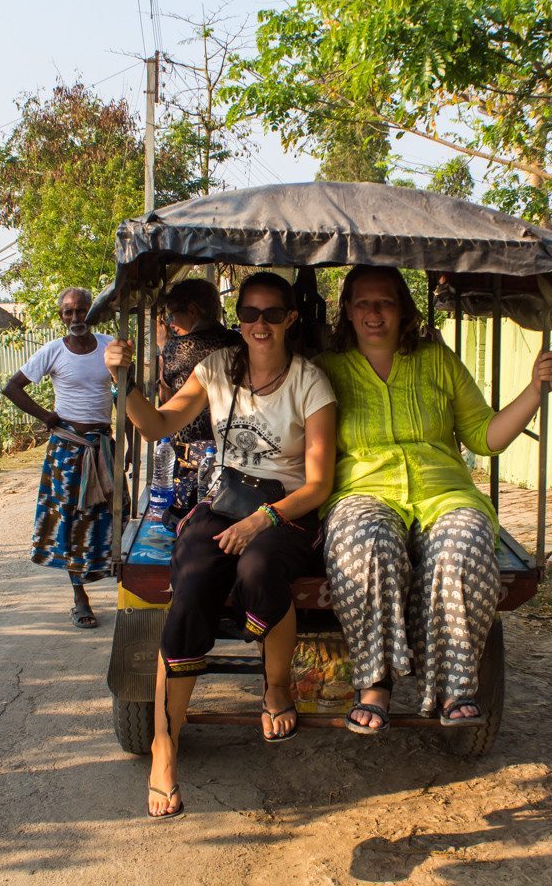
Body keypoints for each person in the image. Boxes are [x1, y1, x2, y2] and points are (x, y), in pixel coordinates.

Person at [105, 271, 337, 820]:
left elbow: (318, 484)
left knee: (259, 568)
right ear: (238, 321)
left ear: (290, 319)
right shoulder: (216, 370)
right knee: (189, 592)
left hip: (286, 510)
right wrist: (124, 382)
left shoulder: (311, 383)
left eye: (272, 314)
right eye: (250, 314)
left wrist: (262, 523)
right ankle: (165, 748)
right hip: (224, 502)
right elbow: (158, 426)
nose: (260, 324)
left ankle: (276, 686)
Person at [316, 265, 552, 734]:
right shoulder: (327, 371)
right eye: (363, 303)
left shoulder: (438, 362)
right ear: (347, 311)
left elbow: (486, 437)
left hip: (444, 493)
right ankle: (375, 682)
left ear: (402, 310)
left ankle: (453, 684)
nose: (374, 313)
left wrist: (534, 391)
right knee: (365, 544)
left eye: (385, 302)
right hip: (363, 493)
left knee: (464, 546)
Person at [3, 286, 120, 630]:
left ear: (91, 313)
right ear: (61, 317)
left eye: (81, 310)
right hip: (67, 448)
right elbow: (12, 387)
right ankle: (79, 598)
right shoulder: (53, 352)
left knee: (114, 515)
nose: (75, 318)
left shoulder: (108, 346)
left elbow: (125, 391)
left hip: (103, 446)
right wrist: (46, 417)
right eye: (68, 312)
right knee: (70, 520)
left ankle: (124, 589)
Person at [157, 278, 241, 513]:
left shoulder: (176, 348)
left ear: (192, 311)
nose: (171, 322)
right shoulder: (238, 341)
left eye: (173, 315)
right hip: (232, 449)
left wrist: (163, 346)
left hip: (190, 454)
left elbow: (167, 401)